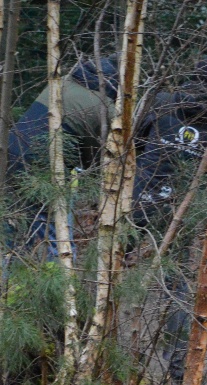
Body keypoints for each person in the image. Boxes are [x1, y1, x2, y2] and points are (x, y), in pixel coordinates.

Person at [130, 52, 207, 384]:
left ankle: (93, 331)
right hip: (181, 208)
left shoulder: (162, 101)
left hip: (141, 198)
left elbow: (133, 140)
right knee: (174, 284)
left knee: (112, 263)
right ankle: (176, 362)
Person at [4, 58, 117, 258]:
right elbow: (95, 162)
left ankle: (8, 282)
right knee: (57, 239)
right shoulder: (105, 107)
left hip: (9, 150)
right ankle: (63, 286)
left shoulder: (63, 81)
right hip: (45, 167)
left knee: (9, 228)